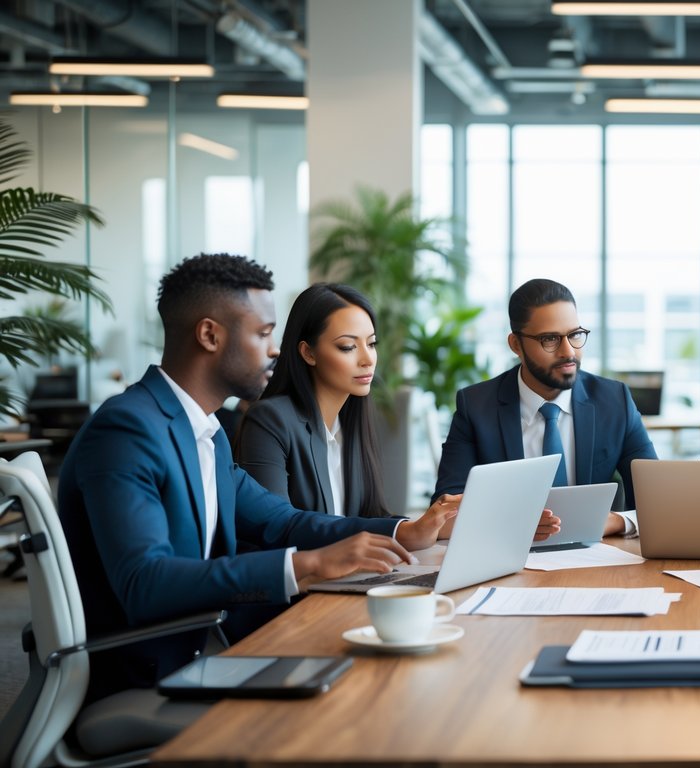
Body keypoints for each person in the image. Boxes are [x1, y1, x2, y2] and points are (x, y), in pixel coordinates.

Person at [58, 254, 459, 702]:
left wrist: (405, 531)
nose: (274, 349)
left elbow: (283, 522)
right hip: (150, 676)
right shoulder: (128, 429)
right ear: (210, 335)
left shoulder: (206, 433)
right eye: (264, 333)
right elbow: (145, 583)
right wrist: (304, 565)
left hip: (206, 654)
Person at [434, 278, 658, 538]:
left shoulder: (613, 400)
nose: (568, 352)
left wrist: (612, 522)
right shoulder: (476, 407)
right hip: (508, 561)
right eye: (550, 339)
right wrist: (516, 523)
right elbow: (443, 514)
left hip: (594, 559)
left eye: (575, 335)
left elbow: (657, 503)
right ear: (516, 345)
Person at [235, 283, 451, 522]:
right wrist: (403, 531)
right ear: (308, 353)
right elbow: (276, 528)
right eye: (348, 347)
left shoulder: (352, 421)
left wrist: (431, 524)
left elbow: (369, 517)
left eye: (371, 344)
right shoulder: (270, 421)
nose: (368, 359)